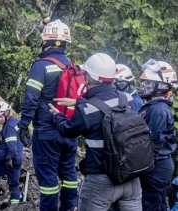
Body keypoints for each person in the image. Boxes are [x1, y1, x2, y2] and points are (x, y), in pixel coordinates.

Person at [48, 53, 142, 211]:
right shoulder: (128, 99)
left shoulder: (88, 110)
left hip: (101, 180)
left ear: (87, 78)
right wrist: (80, 101)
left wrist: (57, 116)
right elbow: (108, 105)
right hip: (131, 178)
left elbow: (67, 130)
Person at [18, 19, 78, 211]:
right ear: (66, 43)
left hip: (47, 131)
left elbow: (31, 98)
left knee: (48, 178)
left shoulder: (41, 66)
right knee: (69, 175)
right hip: (70, 130)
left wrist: (23, 124)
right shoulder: (74, 67)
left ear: (45, 41)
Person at [137, 59, 177, 211]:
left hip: (156, 167)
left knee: (152, 206)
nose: (143, 86)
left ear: (160, 86)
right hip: (153, 165)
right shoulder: (152, 106)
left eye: (147, 82)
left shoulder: (158, 110)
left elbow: (151, 141)